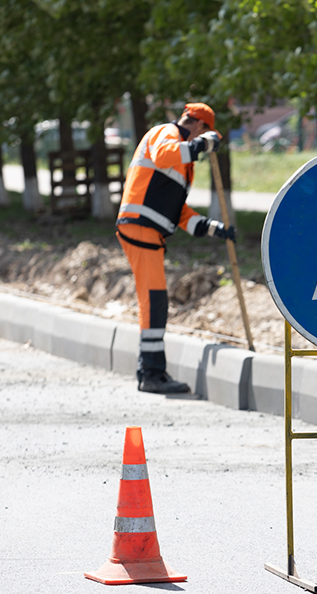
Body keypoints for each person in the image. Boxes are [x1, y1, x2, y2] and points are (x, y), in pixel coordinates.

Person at [116, 102, 235, 394]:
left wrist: (212, 228)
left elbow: (177, 211)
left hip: (149, 231)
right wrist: (201, 145)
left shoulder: (184, 160)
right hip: (140, 227)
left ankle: (151, 371)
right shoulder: (165, 134)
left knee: (153, 300)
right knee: (154, 300)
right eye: (206, 133)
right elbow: (165, 154)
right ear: (199, 126)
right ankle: (152, 373)